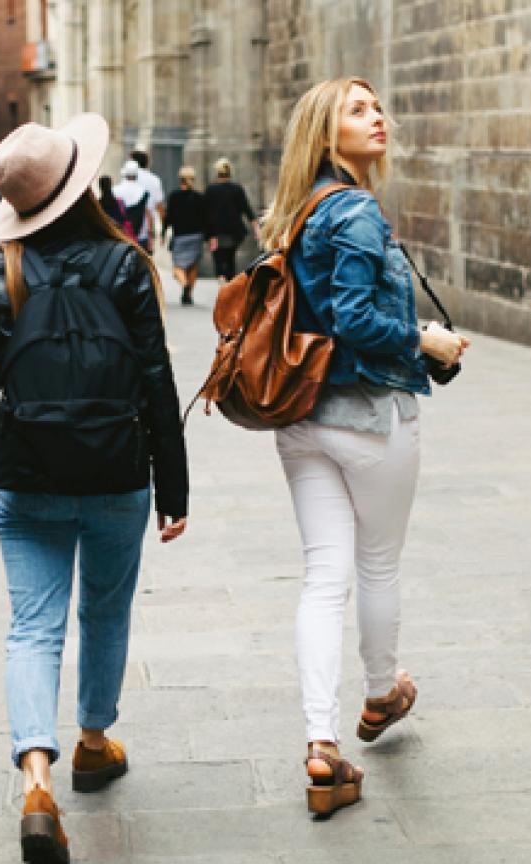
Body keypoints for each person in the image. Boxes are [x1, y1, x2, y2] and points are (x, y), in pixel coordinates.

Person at [0, 114, 190, 864]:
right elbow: (157, 383)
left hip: (27, 478)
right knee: (105, 610)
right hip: (118, 473)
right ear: (82, 184)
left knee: (32, 628)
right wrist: (173, 490)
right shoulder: (125, 266)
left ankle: (35, 783)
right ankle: (92, 742)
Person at [264, 77, 469, 816]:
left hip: (300, 417)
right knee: (376, 564)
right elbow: (354, 318)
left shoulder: (300, 210)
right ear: (325, 136)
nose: (378, 117)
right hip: (367, 415)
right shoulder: (352, 210)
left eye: (379, 105)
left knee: (324, 576)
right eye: (358, 110)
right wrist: (429, 338)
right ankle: (381, 694)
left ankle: (322, 747)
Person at [204, 158, 260, 285]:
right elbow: (247, 210)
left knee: (218, 259)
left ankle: (222, 281)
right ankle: (228, 284)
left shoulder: (210, 190)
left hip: (215, 233)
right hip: (234, 232)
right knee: (230, 258)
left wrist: (208, 234)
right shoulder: (237, 189)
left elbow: (205, 214)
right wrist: (257, 229)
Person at [162, 165, 209, 305]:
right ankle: (188, 293)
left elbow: (168, 217)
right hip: (196, 235)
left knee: (177, 266)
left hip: (180, 236)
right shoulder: (199, 197)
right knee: (193, 266)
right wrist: (208, 235)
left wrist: (164, 231)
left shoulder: (174, 196)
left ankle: (184, 284)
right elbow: (205, 218)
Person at [130, 149, 166, 252]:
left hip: (128, 230)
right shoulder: (154, 180)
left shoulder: (127, 179)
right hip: (147, 230)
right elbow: (159, 206)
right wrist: (163, 229)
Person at [114, 160, 151, 250]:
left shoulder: (115, 191)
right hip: (141, 235)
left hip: (121, 235)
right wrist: (151, 235)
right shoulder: (144, 192)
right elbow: (148, 214)